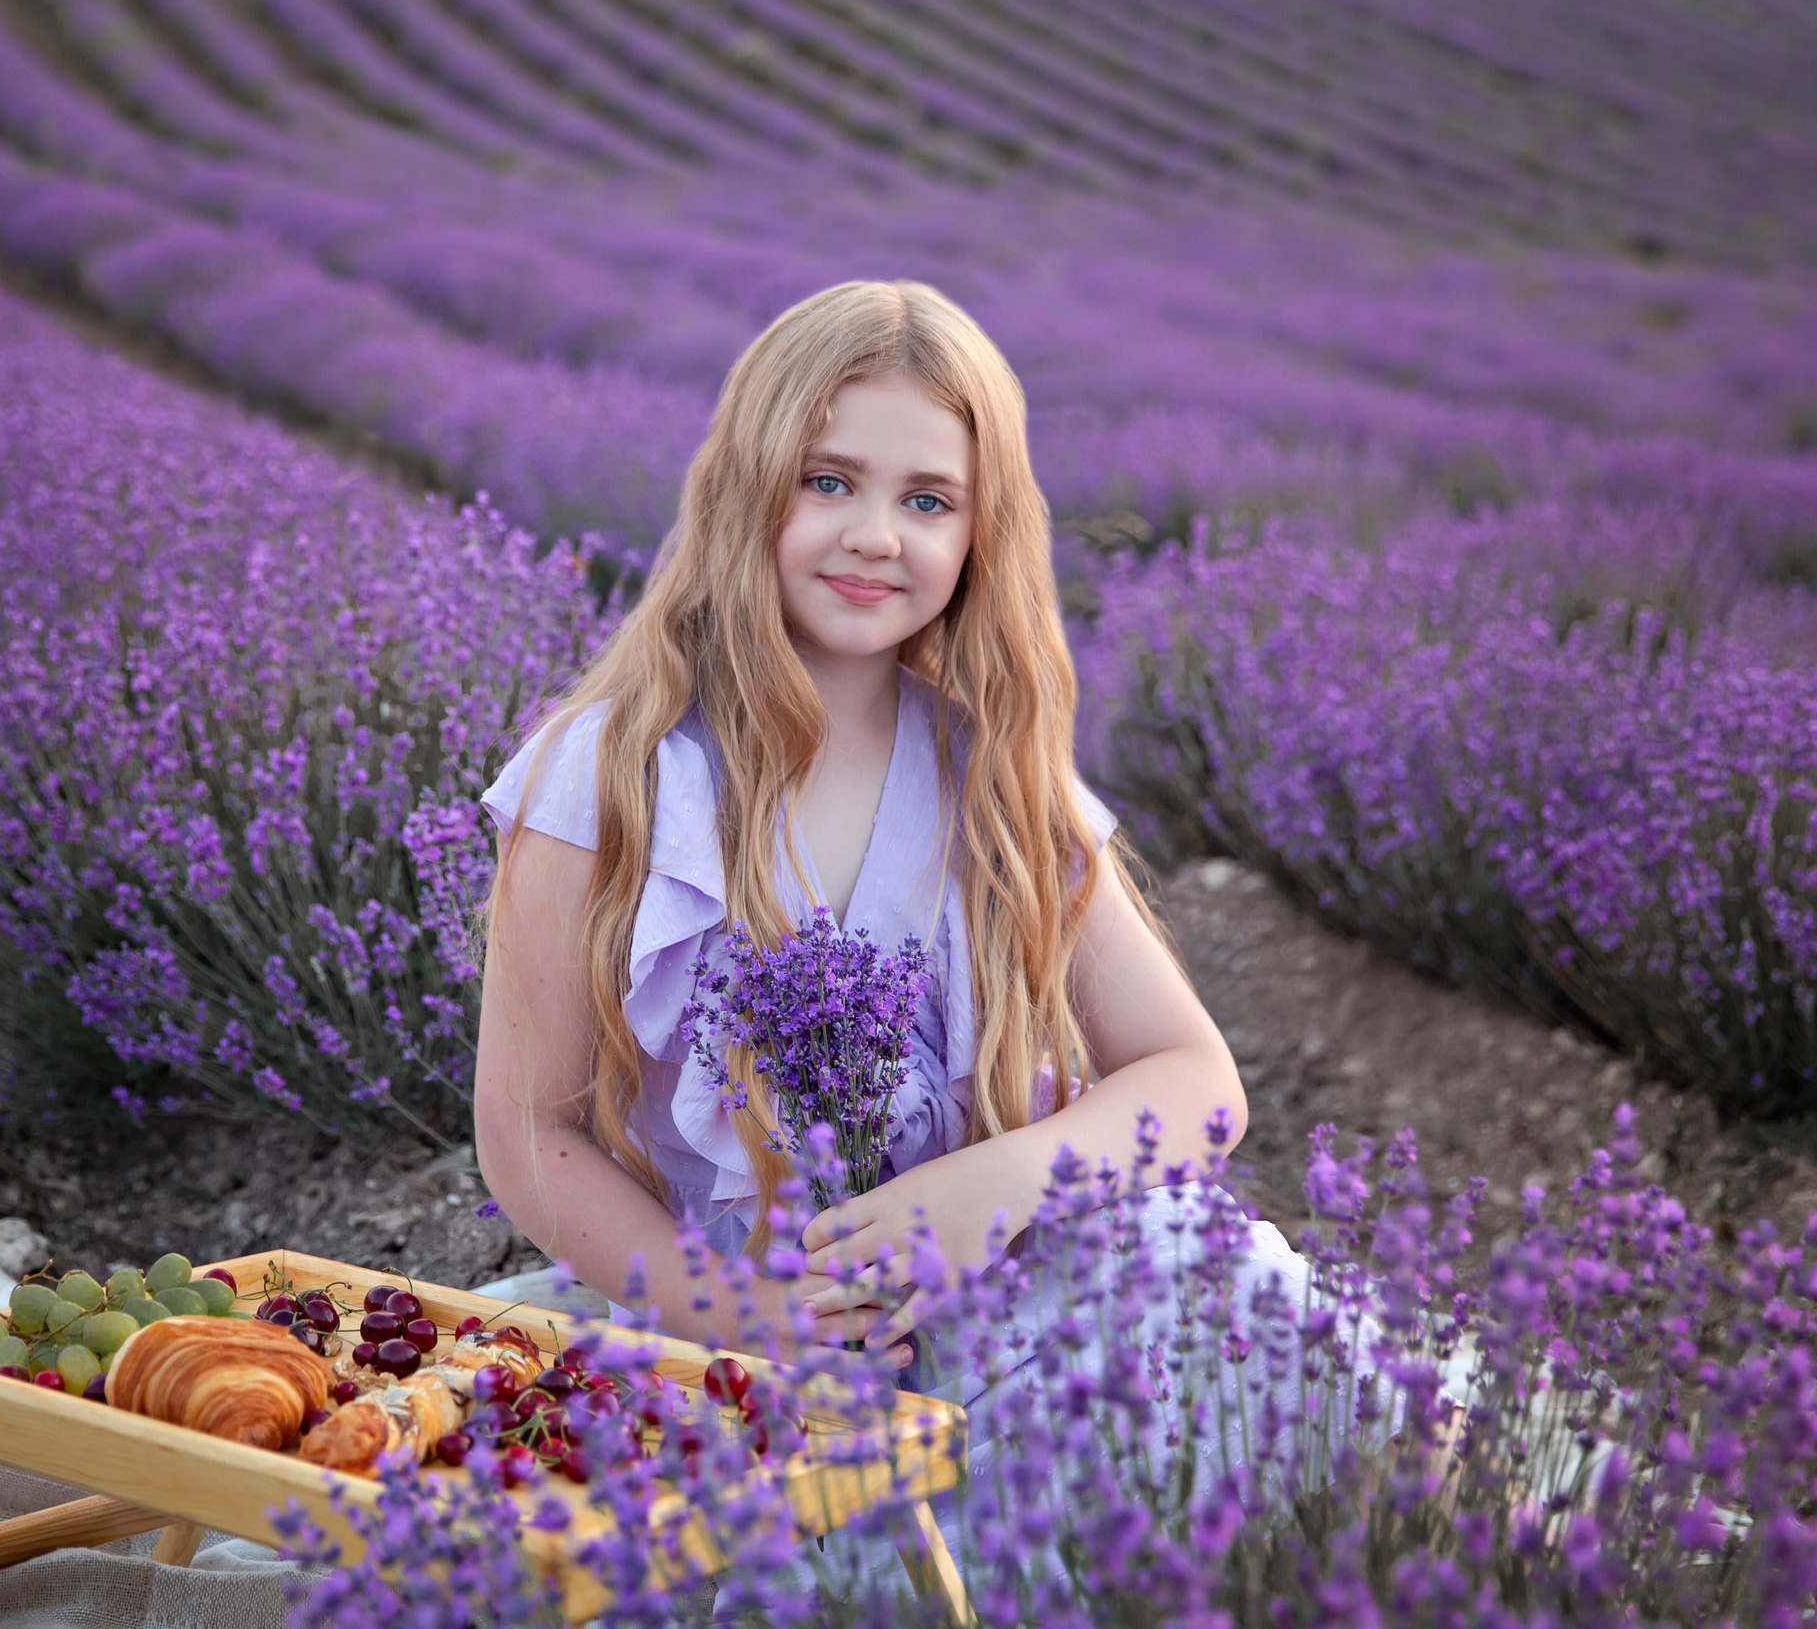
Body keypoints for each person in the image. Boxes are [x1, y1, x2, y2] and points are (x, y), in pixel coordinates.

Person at [471, 279, 1316, 1380]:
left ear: (979, 535)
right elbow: (529, 1133)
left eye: (928, 501)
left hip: (991, 1277)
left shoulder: (996, 778)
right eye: (827, 483)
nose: (875, 537)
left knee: (1245, 1326)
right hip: (731, 1316)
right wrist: (728, 1312)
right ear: (744, 491)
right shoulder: (615, 776)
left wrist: (1010, 1179)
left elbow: (1196, 1080)